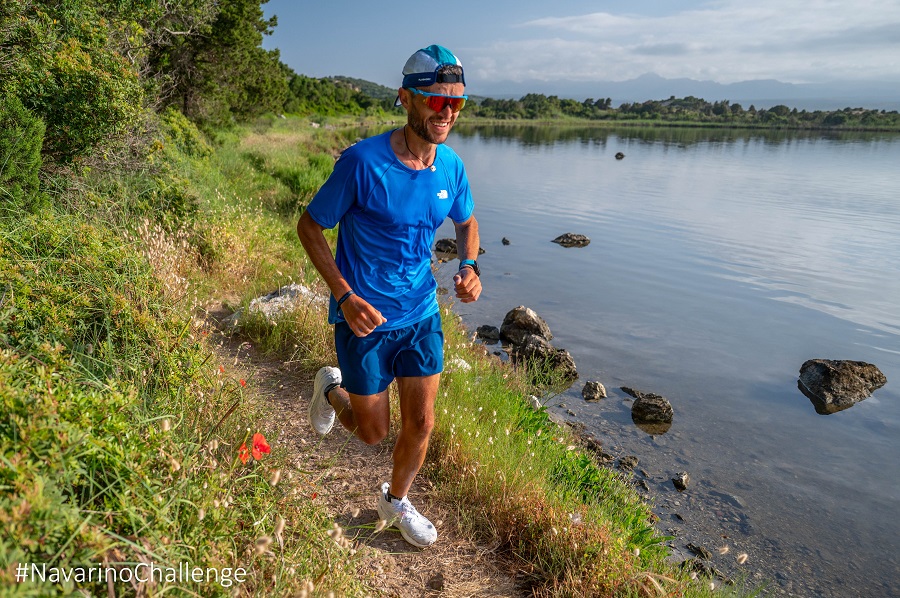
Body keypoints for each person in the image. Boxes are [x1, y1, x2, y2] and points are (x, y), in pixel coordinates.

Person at [296, 44, 481, 548]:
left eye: (457, 103)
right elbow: (310, 226)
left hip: (421, 313)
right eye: (436, 101)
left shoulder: (451, 169)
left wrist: (468, 265)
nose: (448, 113)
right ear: (406, 99)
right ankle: (330, 387)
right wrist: (344, 295)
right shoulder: (363, 163)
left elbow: (467, 224)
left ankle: (394, 502)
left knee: (421, 423)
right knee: (372, 432)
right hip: (366, 319)